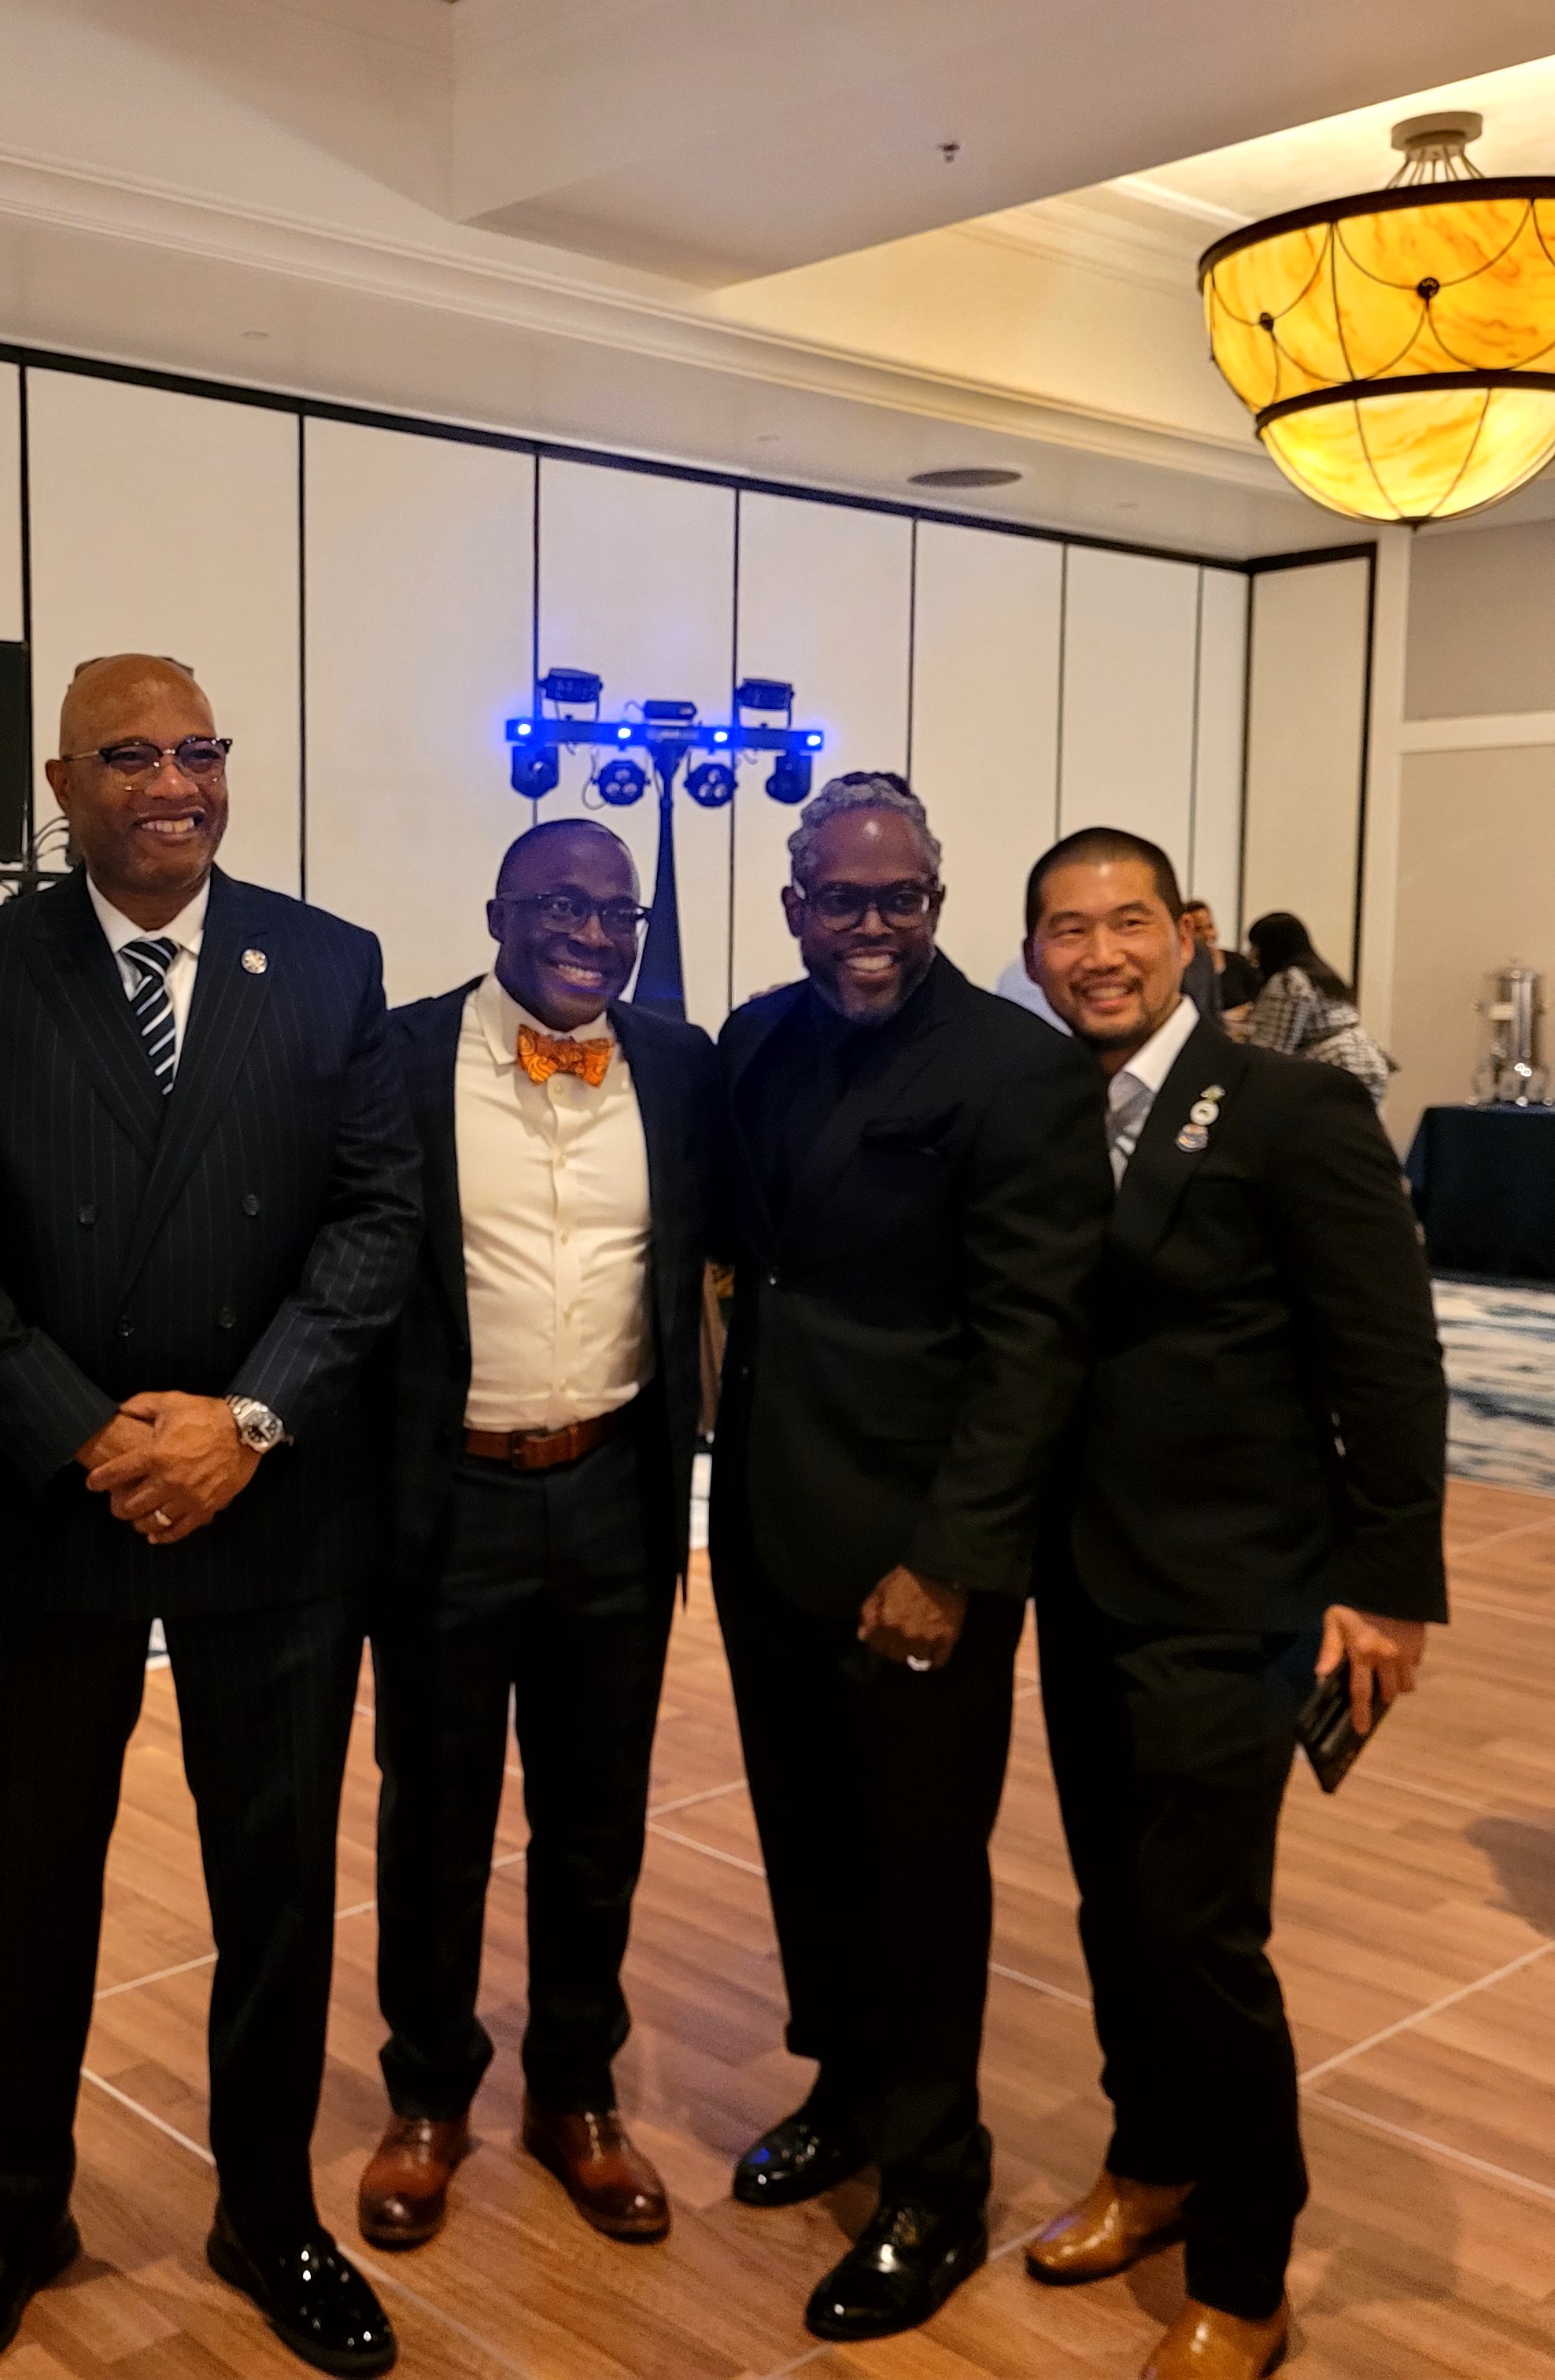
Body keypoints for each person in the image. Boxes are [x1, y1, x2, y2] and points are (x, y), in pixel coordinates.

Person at [0, 655, 421, 2380]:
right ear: (62, 785)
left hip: (271, 1496)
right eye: (130, 755)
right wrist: (86, 1433)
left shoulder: (327, 965)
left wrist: (244, 1420)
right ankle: (21, 2200)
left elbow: (375, 1222)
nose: (174, 782)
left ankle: (265, 2206)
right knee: (34, 1876)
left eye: (199, 751)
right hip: (52, 1505)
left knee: (277, 1882)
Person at [1022, 829, 1446, 2380]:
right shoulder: (1044, 1108)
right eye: (1065, 929)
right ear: (1033, 953)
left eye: (1126, 920)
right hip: (1081, 1580)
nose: (1098, 953)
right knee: (1112, 1905)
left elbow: (1387, 1358)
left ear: (1189, 936)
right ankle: (1151, 2159)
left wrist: (1388, 1586)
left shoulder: (1289, 1106)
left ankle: (1246, 2267)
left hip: (1237, 1583)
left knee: (1201, 1927)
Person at [710, 771, 1110, 2343]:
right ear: (794, 902)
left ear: (936, 901)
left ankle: (936, 2179)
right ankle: (848, 2092)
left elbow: (1033, 1343)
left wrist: (949, 1558)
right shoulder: (755, 1038)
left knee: (920, 1870)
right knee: (807, 1841)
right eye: (842, 898)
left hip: (919, 1551)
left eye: (902, 898)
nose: (871, 925)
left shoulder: (1017, 1068)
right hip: (767, 1527)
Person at [359, 819, 717, 2252]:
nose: (591, 932)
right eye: (561, 904)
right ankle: (426, 2096)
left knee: (594, 1821)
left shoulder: (680, 1066)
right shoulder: (396, 1055)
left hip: (617, 1491)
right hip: (448, 1497)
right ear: (498, 910)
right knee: (434, 1821)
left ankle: (575, 2091)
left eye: (616, 912)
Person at [1244, 911, 1391, 1105]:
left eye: (1254, 946)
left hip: (1332, 1069)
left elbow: (1272, 1047)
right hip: (1367, 1062)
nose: (1250, 954)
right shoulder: (1323, 975)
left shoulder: (1289, 982)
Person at [1182, 898, 1258, 1037]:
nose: (1207, 934)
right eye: (1197, 929)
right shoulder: (1184, 971)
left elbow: (1259, 1001)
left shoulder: (1238, 962)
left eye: (1210, 926)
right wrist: (1226, 1019)